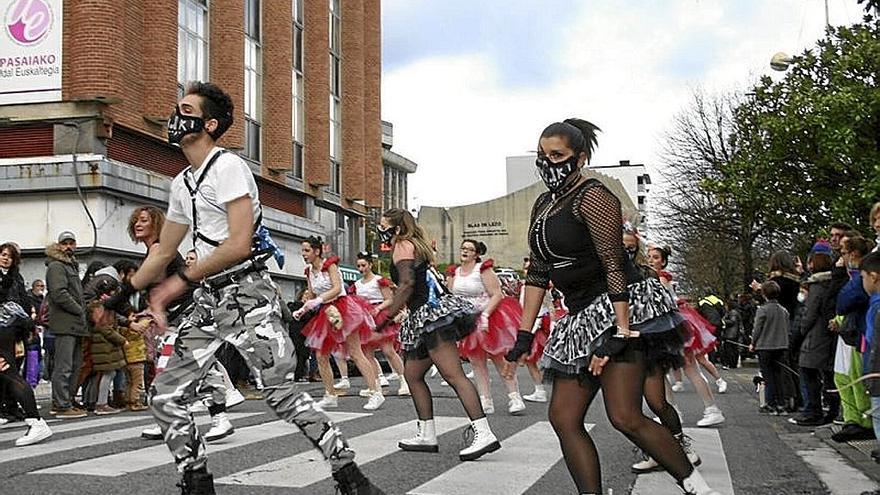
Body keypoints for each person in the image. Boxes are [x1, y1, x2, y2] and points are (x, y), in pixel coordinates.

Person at [112, 82, 382, 494]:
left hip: (248, 295)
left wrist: (177, 283)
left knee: (280, 394)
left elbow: (238, 244)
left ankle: (350, 476)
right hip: (208, 300)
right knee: (165, 396)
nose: (174, 115)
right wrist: (122, 292)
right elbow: (164, 249)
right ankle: (196, 481)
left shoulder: (228, 168)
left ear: (210, 123)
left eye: (185, 108)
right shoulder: (182, 182)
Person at [503, 119, 718, 494]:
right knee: (563, 417)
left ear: (580, 157)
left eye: (557, 155)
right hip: (580, 315)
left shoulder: (594, 195)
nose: (548, 163)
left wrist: (619, 331)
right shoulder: (544, 203)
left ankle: (698, 488)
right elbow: (538, 271)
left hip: (623, 307)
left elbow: (613, 262)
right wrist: (523, 333)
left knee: (625, 416)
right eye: (542, 156)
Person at [378, 208, 501, 461]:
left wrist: (387, 315)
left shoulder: (402, 245)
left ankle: (483, 431)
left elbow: (407, 284)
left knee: (453, 375)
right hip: (428, 317)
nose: (381, 231)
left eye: (384, 226)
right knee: (412, 374)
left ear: (398, 229)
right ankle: (426, 433)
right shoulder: (415, 245)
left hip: (431, 318)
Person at [118, 205, 242, 442]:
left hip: (189, 314)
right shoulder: (156, 251)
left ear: (156, 223)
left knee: (182, 368)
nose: (138, 224)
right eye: (136, 220)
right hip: (180, 316)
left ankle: (218, 418)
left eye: (144, 220)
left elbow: (145, 286)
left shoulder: (161, 250)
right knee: (185, 370)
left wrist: (123, 306)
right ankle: (189, 419)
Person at [295, 236, 384, 411]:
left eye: (306, 250)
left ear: (317, 251)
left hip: (343, 309)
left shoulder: (330, 265)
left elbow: (336, 288)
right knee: (321, 356)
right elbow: (312, 296)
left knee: (355, 352)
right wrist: (303, 309)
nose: (303, 254)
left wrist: (319, 299)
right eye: (302, 251)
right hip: (325, 313)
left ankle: (376, 392)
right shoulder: (309, 272)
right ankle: (330, 395)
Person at [647, 246, 726, 428]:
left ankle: (709, 409)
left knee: (687, 369)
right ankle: (675, 412)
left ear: (663, 261)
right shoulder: (657, 278)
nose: (651, 260)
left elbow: (665, 304)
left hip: (671, 329)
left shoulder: (661, 279)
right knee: (664, 371)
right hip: (668, 328)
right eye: (649, 257)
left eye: (656, 257)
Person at [451, 239, 525, 415]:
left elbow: (497, 294)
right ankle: (485, 400)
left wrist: (485, 315)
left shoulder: (483, 269)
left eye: (469, 249)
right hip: (467, 321)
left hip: (489, 317)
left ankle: (514, 397)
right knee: (476, 361)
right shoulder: (455, 272)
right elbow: (451, 297)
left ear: (477, 254)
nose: (465, 252)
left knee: (498, 358)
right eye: (463, 248)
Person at [830, 234, 875, 441]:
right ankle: (852, 419)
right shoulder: (854, 275)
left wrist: (839, 273)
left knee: (856, 378)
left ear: (854, 254)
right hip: (849, 332)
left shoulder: (859, 275)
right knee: (843, 376)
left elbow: (844, 300)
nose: (841, 256)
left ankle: (864, 421)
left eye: (844, 252)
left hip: (858, 334)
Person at [790, 240, 840, 427]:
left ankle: (813, 410)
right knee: (828, 377)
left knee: (808, 374)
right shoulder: (833, 282)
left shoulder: (817, 286)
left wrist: (799, 334)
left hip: (814, 338)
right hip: (827, 336)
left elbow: (808, 314)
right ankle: (832, 411)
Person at [45, 230, 89, 419]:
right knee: (64, 366)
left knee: (75, 364)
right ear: (59, 245)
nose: (69, 246)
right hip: (65, 323)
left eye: (72, 243)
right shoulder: (57, 266)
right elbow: (59, 293)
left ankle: (66, 401)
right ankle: (61, 404)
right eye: (65, 243)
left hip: (75, 324)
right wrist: (79, 309)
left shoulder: (70, 266)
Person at [353, 251, 408, 396]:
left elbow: (390, 299)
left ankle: (404, 381)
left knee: (388, 350)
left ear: (370, 265)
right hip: (365, 318)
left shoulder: (379, 280)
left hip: (379, 314)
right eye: (358, 266)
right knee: (367, 353)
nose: (361, 268)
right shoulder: (357, 284)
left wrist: (378, 308)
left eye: (363, 265)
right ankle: (375, 384)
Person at [0, 302, 52, 445]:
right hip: (8, 320)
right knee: (6, 373)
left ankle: (36, 422)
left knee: (8, 373)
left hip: (5, 323)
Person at [749, 281, 790, 414]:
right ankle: (781, 403)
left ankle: (770, 403)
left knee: (768, 376)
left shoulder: (763, 310)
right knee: (779, 376)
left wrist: (753, 343)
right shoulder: (784, 311)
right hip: (781, 346)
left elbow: (757, 329)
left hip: (765, 346)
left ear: (764, 294)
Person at [860, 251, 880, 462]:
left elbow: (874, 343)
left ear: (873, 276)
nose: (862, 282)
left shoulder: (876, 306)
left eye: (863, 277)